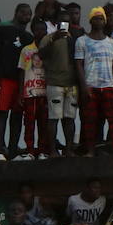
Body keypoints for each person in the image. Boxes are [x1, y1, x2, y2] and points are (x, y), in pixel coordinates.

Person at [74, 7, 113, 154]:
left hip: (108, 85)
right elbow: (78, 65)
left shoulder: (111, 42)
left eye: (101, 18)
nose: (98, 21)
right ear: (90, 20)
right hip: (91, 85)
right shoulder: (82, 41)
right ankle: (90, 150)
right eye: (95, 18)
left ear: (105, 21)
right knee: (90, 120)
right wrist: (84, 86)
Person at [0, 3, 33, 159]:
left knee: (17, 115)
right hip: (3, 78)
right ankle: (1, 148)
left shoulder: (29, 37)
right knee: (1, 113)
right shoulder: (2, 29)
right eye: (23, 13)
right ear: (16, 12)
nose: (26, 16)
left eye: (29, 14)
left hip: (21, 81)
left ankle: (13, 149)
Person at [39, 21, 77, 156]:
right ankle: (53, 150)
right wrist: (54, 39)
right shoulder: (48, 38)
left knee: (70, 118)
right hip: (54, 83)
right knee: (53, 118)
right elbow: (41, 55)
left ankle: (69, 149)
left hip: (72, 84)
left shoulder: (74, 37)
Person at [16, 18, 50, 159]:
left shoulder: (49, 49)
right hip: (29, 92)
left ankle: (42, 150)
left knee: (44, 123)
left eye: (43, 29)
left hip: (45, 92)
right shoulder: (26, 50)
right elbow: (22, 71)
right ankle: (30, 150)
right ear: (33, 31)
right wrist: (20, 93)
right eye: (37, 29)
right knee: (29, 123)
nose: (40, 32)